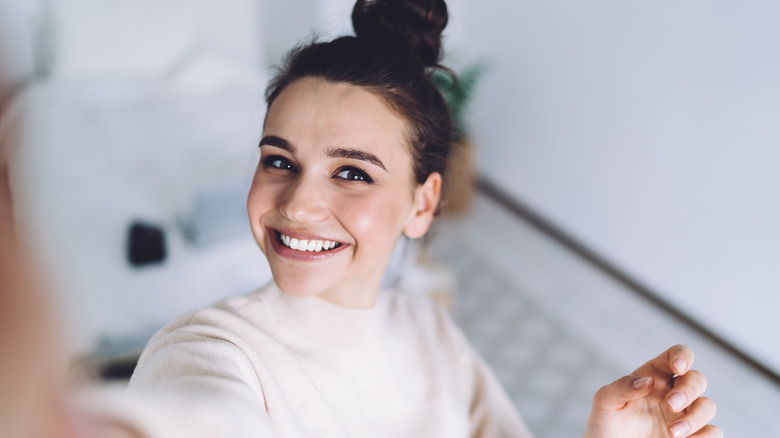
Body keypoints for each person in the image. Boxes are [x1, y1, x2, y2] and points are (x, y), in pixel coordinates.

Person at [129, 0, 721, 437]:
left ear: (422, 202)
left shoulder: (428, 331)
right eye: (279, 160)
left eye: (353, 172)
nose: (297, 205)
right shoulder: (205, 356)